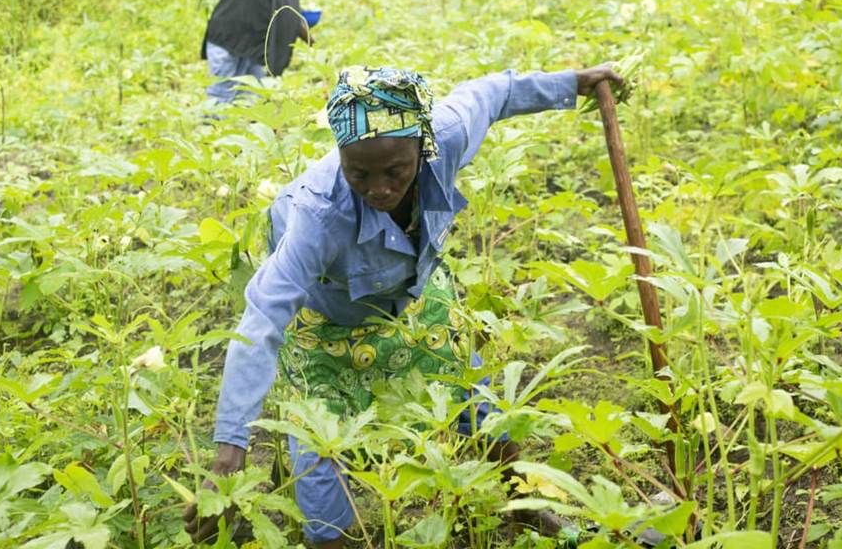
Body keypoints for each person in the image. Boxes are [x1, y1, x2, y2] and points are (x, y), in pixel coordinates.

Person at [183, 64, 626, 546]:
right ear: (341, 157)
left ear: (422, 145)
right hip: (326, 322)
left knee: (475, 399)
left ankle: (524, 509)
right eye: (359, 173)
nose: (378, 188)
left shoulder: (447, 137)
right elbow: (262, 317)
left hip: (413, 296)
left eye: (394, 171)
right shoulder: (317, 214)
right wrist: (230, 450)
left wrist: (574, 82)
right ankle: (326, 538)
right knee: (319, 448)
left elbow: (492, 93)